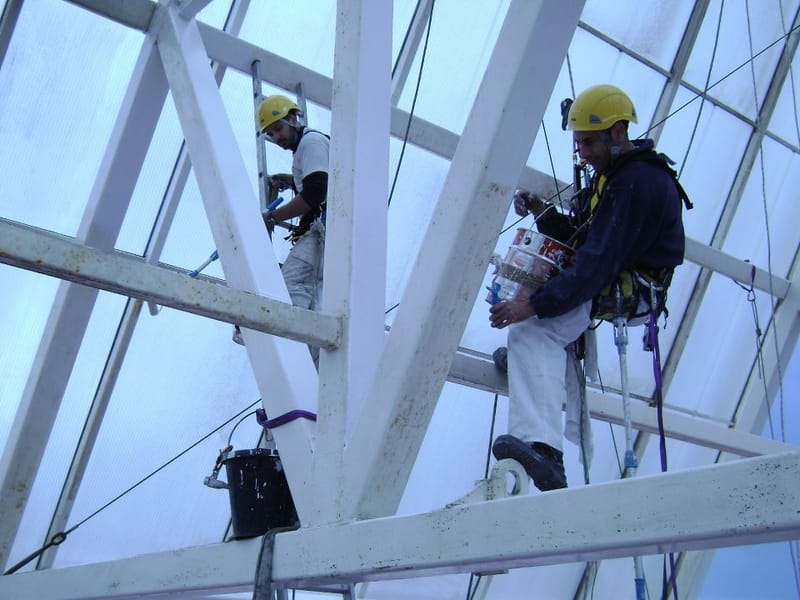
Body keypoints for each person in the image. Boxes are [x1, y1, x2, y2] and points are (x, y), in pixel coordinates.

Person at [488, 84, 690, 491]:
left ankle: (541, 449)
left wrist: (535, 305)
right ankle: (536, 373)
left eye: (589, 143)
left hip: (632, 285)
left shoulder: (635, 183)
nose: (582, 152)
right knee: (539, 331)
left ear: (618, 133)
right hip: (614, 273)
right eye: (578, 143)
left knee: (533, 331)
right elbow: (584, 238)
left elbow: (597, 262)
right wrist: (545, 214)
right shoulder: (613, 177)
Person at [233, 94, 329, 366]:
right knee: (317, 301)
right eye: (271, 134)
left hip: (323, 232)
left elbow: (314, 194)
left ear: (293, 118)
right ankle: (310, 362)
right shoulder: (308, 147)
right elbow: (317, 184)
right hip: (329, 233)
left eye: (279, 129)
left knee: (291, 286)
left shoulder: (311, 142)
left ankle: (293, 348)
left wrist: (273, 217)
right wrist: (292, 182)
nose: (276, 137)